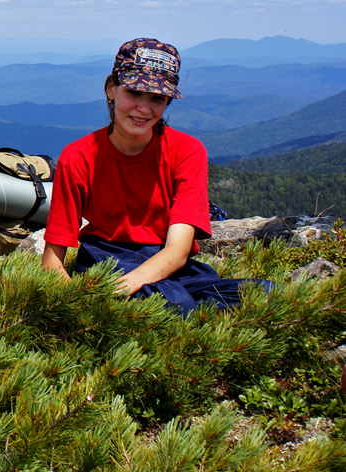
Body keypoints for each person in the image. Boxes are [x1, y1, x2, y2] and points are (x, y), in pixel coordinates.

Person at [40, 37, 268, 313]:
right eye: (134, 92)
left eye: (157, 98)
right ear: (111, 89)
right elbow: (52, 261)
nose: (144, 109)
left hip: (168, 262)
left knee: (266, 294)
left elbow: (178, 249)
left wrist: (135, 280)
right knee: (176, 306)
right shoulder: (78, 157)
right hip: (106, 259)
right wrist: (81, 306)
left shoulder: (187, 151)